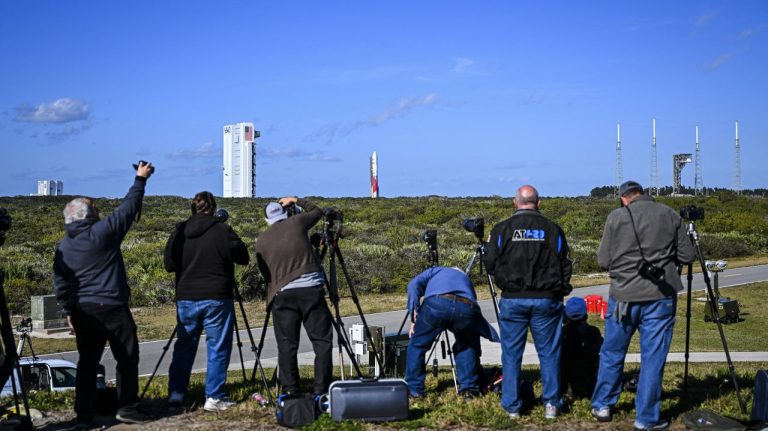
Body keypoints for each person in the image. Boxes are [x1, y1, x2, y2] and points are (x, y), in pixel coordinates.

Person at [53, 161, 154, 426]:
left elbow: (60, 284)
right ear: (88, 216)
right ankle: (127, 407)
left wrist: (67, 312)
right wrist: (140, 179)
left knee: (87, 363)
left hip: (83, 311)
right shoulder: (103, 233)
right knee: (127, 357)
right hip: (112, 306)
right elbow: (128, 209)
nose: (98, 212)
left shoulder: (63, 247)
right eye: (95, 209)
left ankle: (84, 415)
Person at [591, 181, 695, 431]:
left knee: (612, 353)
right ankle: (646, 418)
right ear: (644, 195)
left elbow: (603, 259)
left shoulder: (616, 217)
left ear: (623, 198)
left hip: (624, 297)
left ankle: (603, 404)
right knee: (653, 358)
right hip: (660, 296)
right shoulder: (669, 214)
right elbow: (687, 256)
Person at [483, 184, 572, 420]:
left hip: (513, 299)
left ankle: (512, 406)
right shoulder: (553, 229)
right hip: (546, 300)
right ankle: (552, 404)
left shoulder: (502, 229)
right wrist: (560, 290)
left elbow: (489, 264)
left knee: (511, 354)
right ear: (538, 203)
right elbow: (565, 263)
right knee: (550, 353)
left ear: (515, 202)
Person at [163, 191, 250, 411]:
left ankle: (176, 392)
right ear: (212, 208)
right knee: (218, 347)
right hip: (216, 296)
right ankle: (214, 396)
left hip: (186, 296)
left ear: (193, 209)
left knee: (184, 346)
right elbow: (243, 257)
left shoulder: (180, 231)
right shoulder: (222, 230)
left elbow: (169, 264)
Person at [254, 196, 333, 396]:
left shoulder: (261, 240)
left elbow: (265, 273)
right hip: (311, 290)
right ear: (285, 212)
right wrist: (297, 199)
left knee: (287, 345)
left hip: (282, 294)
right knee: (322, 342)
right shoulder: (296, 222)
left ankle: (290, 391)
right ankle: (321, 391)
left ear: (267, 220)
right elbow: (317, 211)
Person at [404, 266, 499, 399]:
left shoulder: (436, 270)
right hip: (466, 306)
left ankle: (414, 390)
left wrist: (414, 316)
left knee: (417, 346)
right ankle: (469, 390)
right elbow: (473, 304)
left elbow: (413, 285)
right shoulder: (465, 278)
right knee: (466, 345)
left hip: (437, 303)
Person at [560, 297, 602, 398]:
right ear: (585, 315)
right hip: (589, 377)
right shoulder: (593, 331)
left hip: (567, 379)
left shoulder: (563, 334)